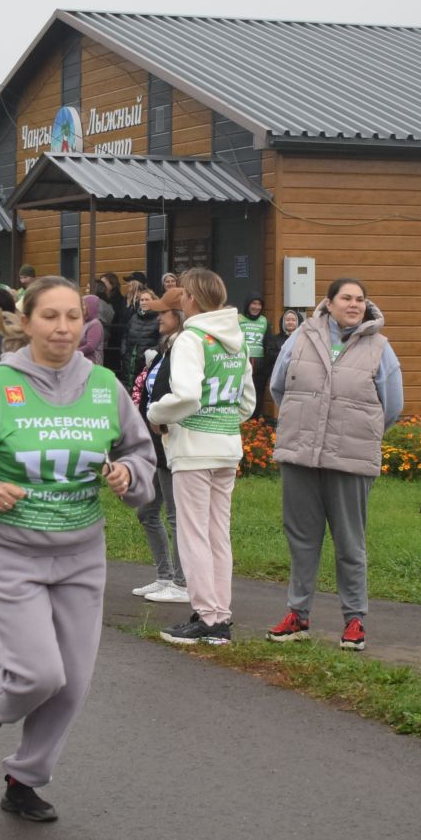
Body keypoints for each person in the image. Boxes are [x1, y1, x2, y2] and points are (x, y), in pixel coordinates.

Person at [0, 276, 156, 823]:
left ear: (85, 324)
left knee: (72, 682)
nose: (62, 328)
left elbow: (141, 452)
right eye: (50, 317)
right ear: (26, 322)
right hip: (13, 550)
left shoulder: (104, 385)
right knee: (37, 673)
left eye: (72, 318)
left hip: (82, 552)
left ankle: (24, 779)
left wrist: (130, 473)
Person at [264, 279, 404, 652]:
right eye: (347, 298)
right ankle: (298, 615)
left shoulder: (379, 347)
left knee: (350, 543)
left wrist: (359, 431)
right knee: (302, 540)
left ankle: (354, 619)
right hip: (300, 455)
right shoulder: (301, 338)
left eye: (360, 299)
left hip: (350, 459)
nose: (355, 305)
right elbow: (279, 387)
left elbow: (392, 406)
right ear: (328, 302)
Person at [148, 269, 254, 645]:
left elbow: (188, 396)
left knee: (193, 535)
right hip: (226, 446)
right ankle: (219, 615)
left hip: (193, 448)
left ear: (191, 299)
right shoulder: (236, 340)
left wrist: (157, 414)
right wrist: (221, 420)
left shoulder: (191, 338)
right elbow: (246, 403)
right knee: (217, 535)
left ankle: (208, 618)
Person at [130, 288, 188, 604]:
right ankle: (165, 575)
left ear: (178, 316)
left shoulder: (184, 349)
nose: (158, 317)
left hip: (171, 442)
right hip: (154, 443)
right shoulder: (166, 347)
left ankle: (181, 583)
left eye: (164, 312)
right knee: (146, 511)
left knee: (176, 515)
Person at [79, 292, 106, 365]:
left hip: (93, 365)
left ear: (90, 307)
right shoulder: (83, 322)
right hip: (82, 364)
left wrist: (73, 353)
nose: (82, 307)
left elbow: (90, 346)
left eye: (84, 305)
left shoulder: (95, 324)